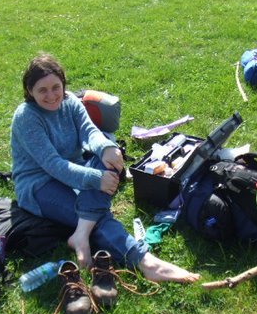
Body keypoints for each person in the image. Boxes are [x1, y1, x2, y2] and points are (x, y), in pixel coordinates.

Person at [10, 52, 200, 283]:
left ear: (63, 84)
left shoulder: (69, 102)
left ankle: (81, 233)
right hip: (39, 185)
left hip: (73, 170)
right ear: (30, 91)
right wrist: (95, 178)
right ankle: (146, 262)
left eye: (56, 87)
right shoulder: (26, 117)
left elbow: (90, 132)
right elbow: (53, 165)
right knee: (98, 217)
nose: (51, 96)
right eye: (42, 90)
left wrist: (107, 148)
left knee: (107, 155)